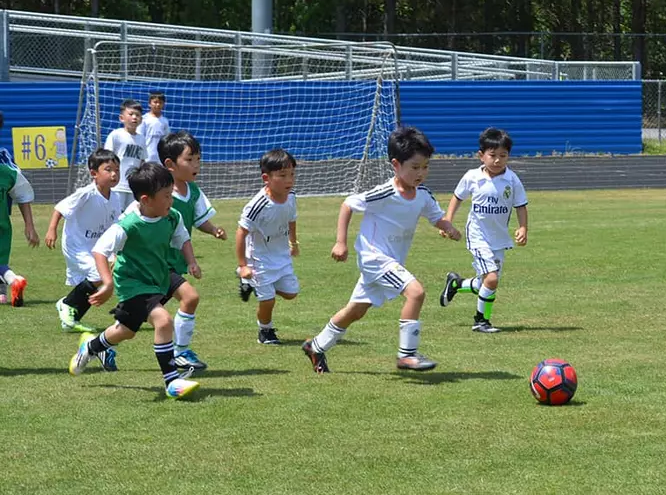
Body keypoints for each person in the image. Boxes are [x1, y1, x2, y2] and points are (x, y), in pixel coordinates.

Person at [301, 126, 461, 374]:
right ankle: (407, 355)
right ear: (396, 165)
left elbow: (436, 217)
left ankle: (316, 346)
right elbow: (347, 205)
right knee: (416, 292)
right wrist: (340, 242)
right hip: (375, 258)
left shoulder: (423, 195)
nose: (421, 173)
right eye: (415, 167)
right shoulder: (385, 192)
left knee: (356, 310)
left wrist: (448, 227)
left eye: (425, 167)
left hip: (389, 260)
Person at [70, 162, 201, 400]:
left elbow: (183, 239)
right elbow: (100, 251)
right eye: (165, 196)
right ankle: (172, 381)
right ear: (146, 199)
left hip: (159, 275)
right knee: (163, 321)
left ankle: (91, 347)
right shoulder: (128, 225)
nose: (170, 200)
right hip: (133, 282)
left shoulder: (172, 216)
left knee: (126, 331)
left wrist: (191, 261)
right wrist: (108, 284)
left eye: (170, 194)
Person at [438, 127, 528, 333]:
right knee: (492, 279)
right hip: (478, 235)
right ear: (481, 156)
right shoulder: (472, 177)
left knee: (486, 283)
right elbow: (457, 198)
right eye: (492, 155)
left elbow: (521, 205)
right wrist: (447, 222)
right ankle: (481, 321)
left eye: (503, 156)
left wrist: (523, 227)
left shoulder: (512, 180)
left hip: (499, 238)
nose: (497, 160)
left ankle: (457, 284)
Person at [154, 131, 226, 371]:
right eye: (190, 159)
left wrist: (213, 229)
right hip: (155, 261)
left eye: (198, 159)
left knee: (130, 323)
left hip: (174, 261)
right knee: (190, 297)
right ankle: (181, 352)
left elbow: (197, 219)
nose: (196, 164)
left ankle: (98, 346)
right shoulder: (159, 191)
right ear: (170, 165)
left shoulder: (193, 191)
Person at [45, 149, 122, 332]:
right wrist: (51, 230)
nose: (114, 174)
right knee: (99, 275)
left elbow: (116, 226)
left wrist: (118, 251)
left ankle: (72, 317)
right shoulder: (86, 193)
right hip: (76, 245)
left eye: (117, 170)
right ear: (94, 173)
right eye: (109, 169)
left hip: (96, 247)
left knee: (105, 275)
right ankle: (67, 303)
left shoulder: (116, 197)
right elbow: (61, 208)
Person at [236, 149, 300, 345]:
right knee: (268, 299)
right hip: (259, 258)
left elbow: (291, 220)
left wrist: (293, 242)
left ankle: (252, 284)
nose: (289, 180)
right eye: (282, 175)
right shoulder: (258, 204)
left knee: (291, 293)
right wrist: (243, 265)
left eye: (291, 174)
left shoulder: (291, 197)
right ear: (267, 178)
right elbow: (241, 233)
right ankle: (265, 332)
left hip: (280, 255)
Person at [0, 148, 39, 307]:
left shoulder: (5, 164)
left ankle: (11, 281)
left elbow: (22, 193)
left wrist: (29, 225)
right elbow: (23, 193)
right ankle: (12, 282)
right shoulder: (6, 171)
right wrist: (29, 225)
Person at [104, 99, 147, 215]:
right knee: (114, 214)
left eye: (137, 115)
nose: (134, 117)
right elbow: (107, 159)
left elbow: (142, 161)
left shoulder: (142, 139)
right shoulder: (116, 135)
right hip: (117, 186)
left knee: (131, 215)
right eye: (131, 114)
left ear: (141, 119)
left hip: (133, 186)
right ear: (121, 118)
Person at [140, 91, 170, 163]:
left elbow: (166, 139)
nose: (158, 104)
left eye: (160, 102)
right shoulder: (144, 119)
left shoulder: (165, 121)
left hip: (159, 158)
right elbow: (139, 137)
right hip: (146, 157)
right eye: (155, 102)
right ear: (149, 104)